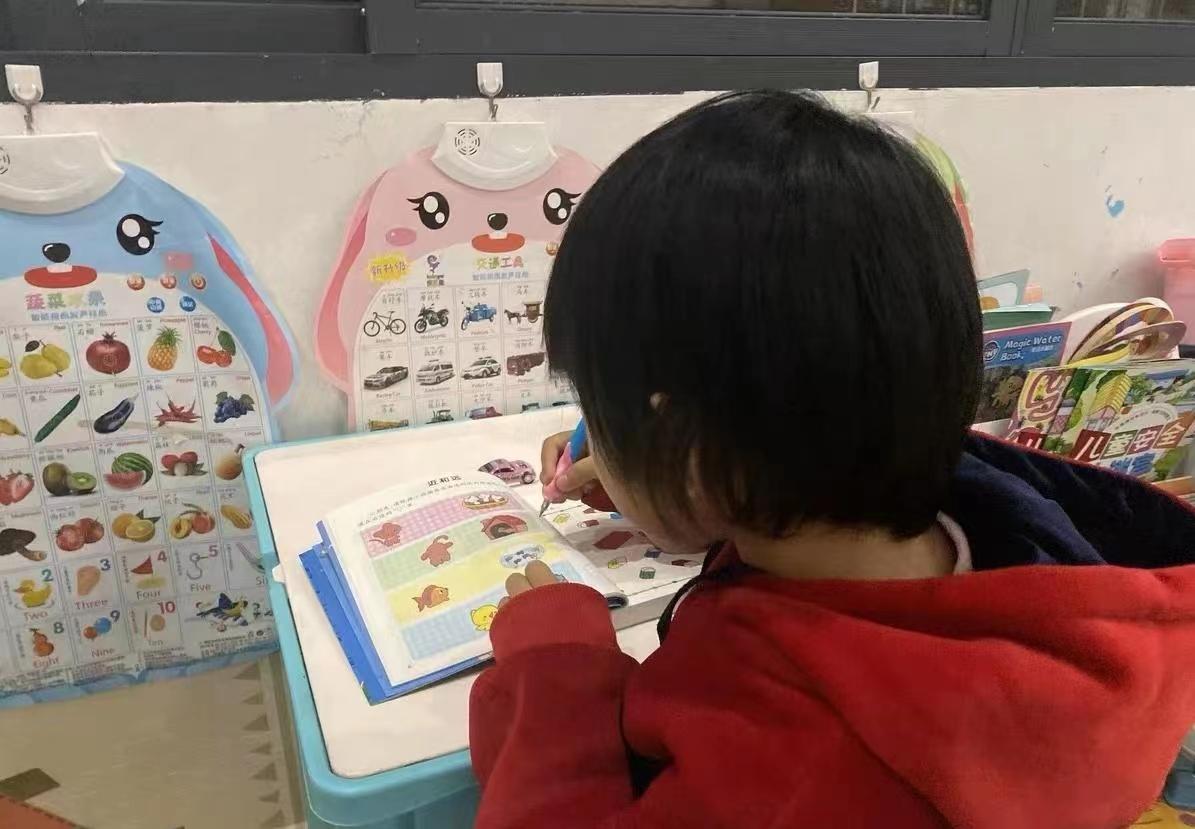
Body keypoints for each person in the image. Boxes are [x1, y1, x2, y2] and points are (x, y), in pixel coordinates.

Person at [468, 91, 1195, 828]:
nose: (589, 436)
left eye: (599, 412)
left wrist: (553, 672)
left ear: (694, 446)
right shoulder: (1015, 538)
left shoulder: (784, 767)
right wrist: (664, 481)